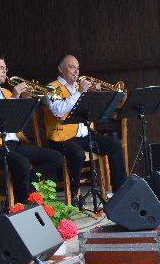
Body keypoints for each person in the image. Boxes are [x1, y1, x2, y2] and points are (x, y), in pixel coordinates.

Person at [0, 55, 63, 203]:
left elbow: (19, 120)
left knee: (55, 157)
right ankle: (22, 203)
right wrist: (14, 97)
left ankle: (31, 191)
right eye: (0, 68)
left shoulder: (6, 92)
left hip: (14, 144)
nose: (5, 71)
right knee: (22, 163)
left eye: (5, 68)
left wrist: (26, 102)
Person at [42, 55, 127, 205]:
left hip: (84, 136)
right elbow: (58, 110)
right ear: (60, 69)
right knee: (78, 154)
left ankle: (120, 191)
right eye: (72, 67)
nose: (76, 71)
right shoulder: (51, 88)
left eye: (78, 68)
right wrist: (80, 93)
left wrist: (97, 94)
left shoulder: (78, 87)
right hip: (61, 138)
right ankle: (74, 194)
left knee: (114, 144)